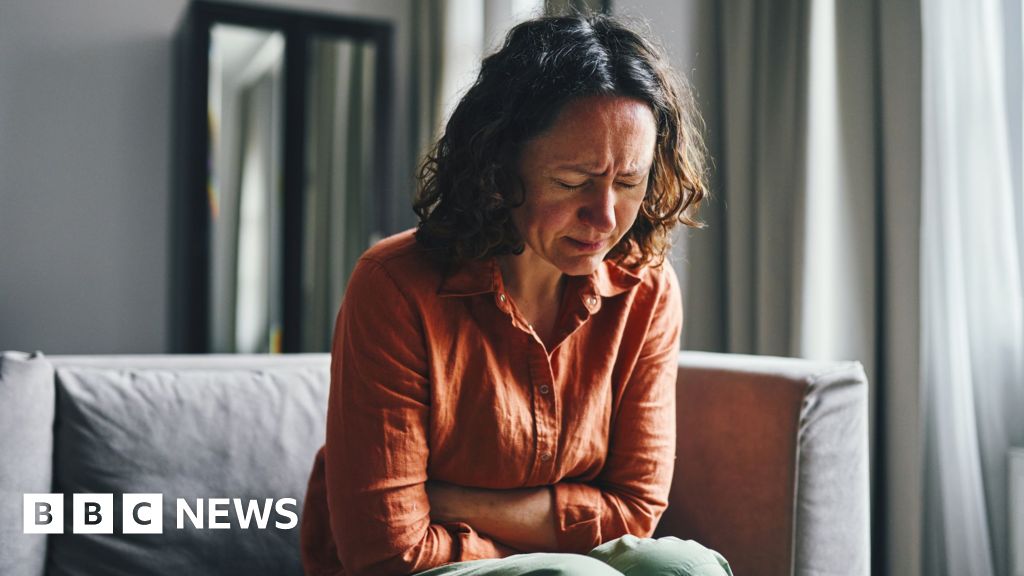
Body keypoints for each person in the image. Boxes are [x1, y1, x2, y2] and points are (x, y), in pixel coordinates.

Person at [300, 12, 732, 576]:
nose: (604, 217)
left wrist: (453, 502)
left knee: (686, 567)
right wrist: (556, 549)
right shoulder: (395, 285)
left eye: (629, 183)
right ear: (500, 168)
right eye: (572, 182)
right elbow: (389, 552)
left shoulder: (646, 290)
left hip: (542, 558)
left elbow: (636, 512)